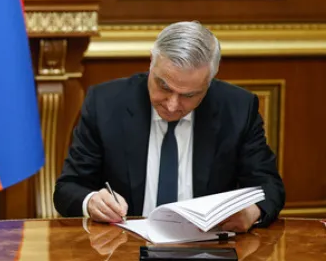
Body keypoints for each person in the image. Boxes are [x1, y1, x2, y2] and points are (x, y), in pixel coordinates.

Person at [53, 21, 285, 232]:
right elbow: (69, 187)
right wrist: (92, 201)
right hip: (123, 247)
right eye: (164, 87)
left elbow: (268, 186)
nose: (172, 105)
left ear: (209, 82)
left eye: (189, 95)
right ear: (151, 62)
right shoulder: (105, 104)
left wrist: (252, 211)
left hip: (209, 250)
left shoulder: (238, 109)